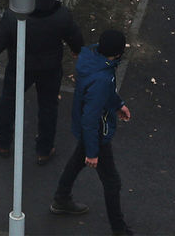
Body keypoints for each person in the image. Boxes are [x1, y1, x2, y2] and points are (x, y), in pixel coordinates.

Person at [0, 0, 84, 163]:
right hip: (50, 68)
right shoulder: (62, 16)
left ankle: (2, 141)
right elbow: (74, 36)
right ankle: (44, 149)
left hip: (20, 67)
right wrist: (77, 50)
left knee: (8, 103)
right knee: (48, 107)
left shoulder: (14, 17)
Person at [50, 29, 133, 236]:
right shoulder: (103, 77)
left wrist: (117, 104)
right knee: (112, 183)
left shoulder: (93, 60)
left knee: (76, 161)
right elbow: (91, 116)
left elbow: (102, 94)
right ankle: (119, 230)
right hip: (97, 134)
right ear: (117, 53)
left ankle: (61, 199)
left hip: (89, 130)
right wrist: (93, 151)